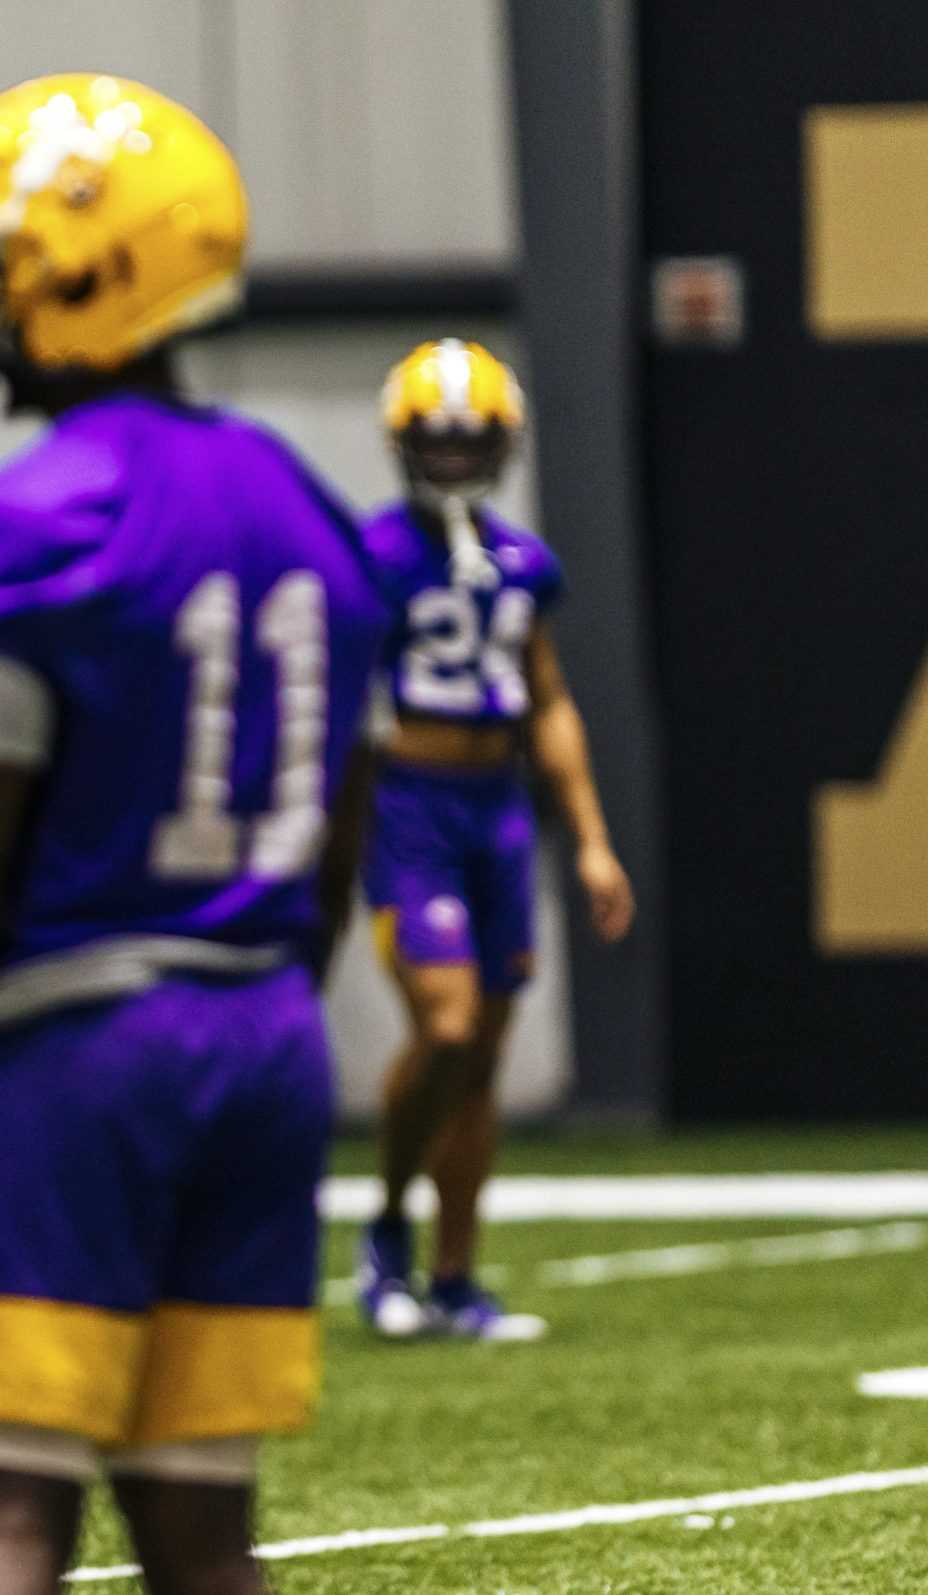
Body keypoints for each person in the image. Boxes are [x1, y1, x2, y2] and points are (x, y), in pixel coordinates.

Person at [0, 75, 389, 1595]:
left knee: (5, 1505)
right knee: (201, 1524)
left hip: (72, 1049)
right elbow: (344, 819)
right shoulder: (304, 500)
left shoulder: (40, 515)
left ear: (88, 269)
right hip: (265, 1033)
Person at [352, 339, 634, 1343]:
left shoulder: (522, 564)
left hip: (497, 809)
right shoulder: (375, 556)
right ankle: (384, 1227)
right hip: (408, 807)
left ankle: (457, 1276)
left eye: (474, 440)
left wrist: (591, 839)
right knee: (447, 1025)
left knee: (483, 1060)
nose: (457, 457)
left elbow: (547, 699)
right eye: (438, 438)